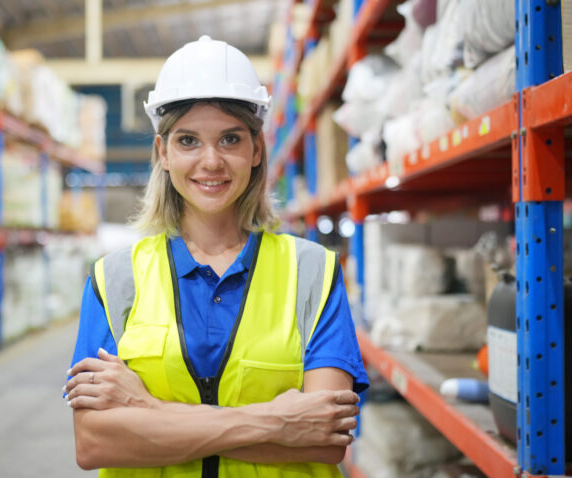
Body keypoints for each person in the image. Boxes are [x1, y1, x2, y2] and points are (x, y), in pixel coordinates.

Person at [64, 35, 368, 477]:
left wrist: (147, 409)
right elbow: (94, 443)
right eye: (188, 140)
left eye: (230, 139)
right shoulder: (115, 279)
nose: (211, 161)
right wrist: (278, 422)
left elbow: (325, 439)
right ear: (162, 153)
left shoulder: (312, 272)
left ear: (256, 150)